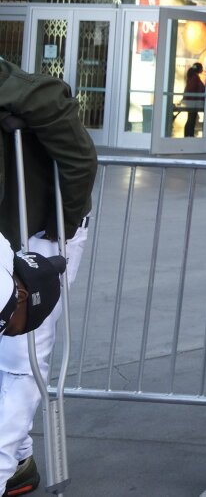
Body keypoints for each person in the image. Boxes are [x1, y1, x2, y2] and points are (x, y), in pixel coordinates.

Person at [0, 58, 96, 495]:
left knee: (23, 360)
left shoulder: (30, 92)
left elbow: (79, 162)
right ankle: (19, 461)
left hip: (39, 237)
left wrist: (61, 232)